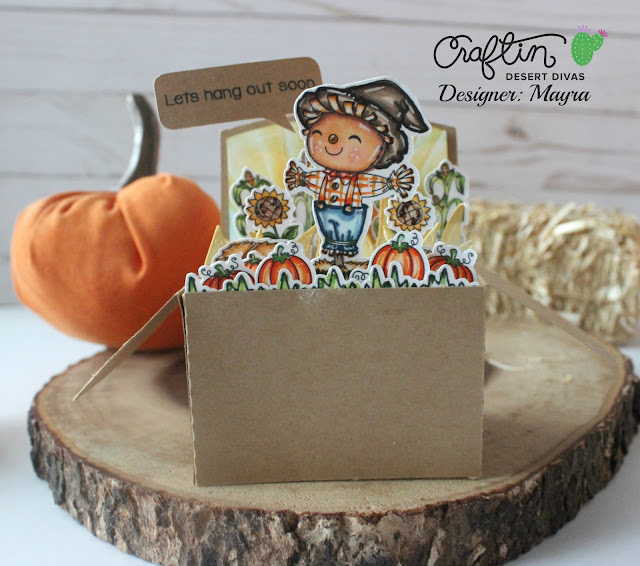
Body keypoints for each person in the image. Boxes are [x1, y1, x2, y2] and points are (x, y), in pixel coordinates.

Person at [285, 78, 430, 258]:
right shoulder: (323, 179)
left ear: (382, 150)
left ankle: (345, 256)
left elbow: (373, 185)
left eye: (355, 141)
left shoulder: (359, 183)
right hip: (326, 223)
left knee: (348, 243)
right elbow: (311, 181)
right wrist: (299, 178)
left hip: (351, 225)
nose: (335, 145)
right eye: (324, 135)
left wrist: (393, 183)